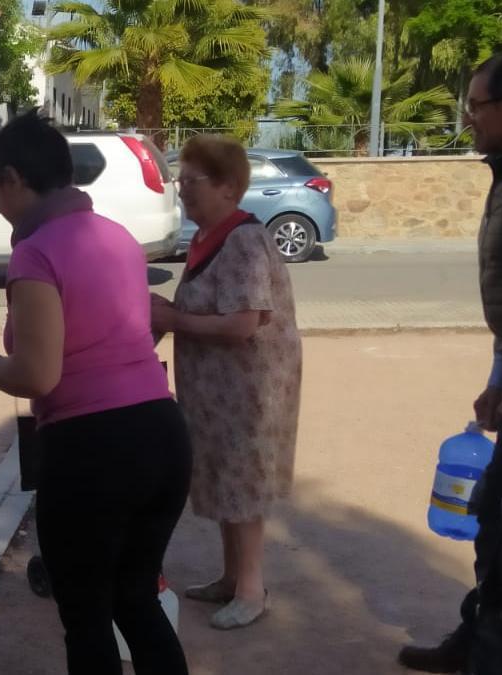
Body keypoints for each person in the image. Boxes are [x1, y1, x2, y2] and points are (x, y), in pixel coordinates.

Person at [0, 112, 192, 675]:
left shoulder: (34, 253)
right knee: (135, 600)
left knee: (87, 616)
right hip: (161, 434)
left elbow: (39, 374)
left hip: (93, 449)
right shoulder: (117, 237)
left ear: (15, 178)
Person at [398, 50, 502, 675]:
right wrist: (499, 378)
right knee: (490, 514)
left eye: (477, 106)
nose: (467, 118)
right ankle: (475, 641)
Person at [151, 134, 302, 631]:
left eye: (192, 182)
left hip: (247, 390)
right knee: (222, 478)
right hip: (216, 391)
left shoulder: (243, 239)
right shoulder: (205, 239)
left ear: (228, 187)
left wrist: (173, 321)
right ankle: (232, 576)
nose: (183, 191)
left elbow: (242, 324)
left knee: (243, 484)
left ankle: (252, 589)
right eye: (181, 182)